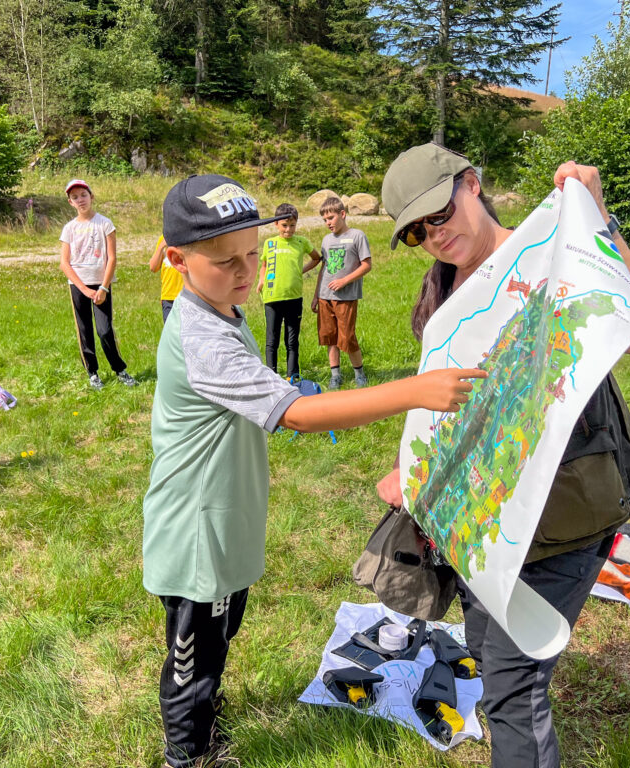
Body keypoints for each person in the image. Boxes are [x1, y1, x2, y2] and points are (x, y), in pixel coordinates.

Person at [143, 173, 484, 768]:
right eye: (228, 261)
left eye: (253, 253)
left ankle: (205, 709)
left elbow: (262, 394)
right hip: (196, 531)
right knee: (192, 656)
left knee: (221, 635)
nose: (247, 271)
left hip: (227, 518)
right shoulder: (201, 334)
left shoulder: (220, 307)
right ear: (177, 259)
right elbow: (297, 417)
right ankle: (188, 753)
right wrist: (415, 391)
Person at [377, 143, 630, 768]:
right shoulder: (440, 291)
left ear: (472, 184)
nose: (434, 235)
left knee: (513, 686)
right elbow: (444, 398)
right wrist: (415, 464)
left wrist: (600, 216)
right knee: (483, 642)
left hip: (566, 510)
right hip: (485, 518)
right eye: (417, 232)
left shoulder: (554, 249)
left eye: (439, 214)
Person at [60, 178, 138, 390]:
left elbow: (112, 258)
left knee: (104, 330)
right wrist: (84, 289)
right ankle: (92, 373)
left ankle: (119, 369)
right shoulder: (69, 228)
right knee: (84, 330)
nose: (80, 200)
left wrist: (103, 288)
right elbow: (64, 264)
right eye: (75, 197)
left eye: (83, 195)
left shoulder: (105, 224)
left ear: (91, 197)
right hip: (78, 286)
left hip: (101, 285)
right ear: (70, 202)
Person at [255, 203, 320, 380]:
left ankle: (293, 376)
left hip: (294, 298)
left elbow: (316, 258)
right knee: (272, 340)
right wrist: (262, 280)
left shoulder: (301, 242)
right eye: (284, 225)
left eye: (292, 225)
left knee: (292, 340)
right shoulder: (270, 243)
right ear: (276, 224)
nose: (288, 229)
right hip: (272, 298)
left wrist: (301, 270)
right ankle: (272, 376)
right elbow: (264, 265)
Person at [313, 196, 372, 389]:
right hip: (325, 296)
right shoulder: (326, 240)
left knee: (347, 337)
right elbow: (324, 267)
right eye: (325, 220)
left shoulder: (357, 235)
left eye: (331, 218)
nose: (328, 223)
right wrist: (316, 295)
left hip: (346, 297)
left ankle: (359, 374)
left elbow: (367, 265)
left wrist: (345, 281)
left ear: (343, 214)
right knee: (330, 337)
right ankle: (335, 375)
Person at [149, 234, 185, 322]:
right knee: (171, 333)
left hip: (186, 296)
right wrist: (161, 246)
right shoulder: (163, 239)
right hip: (168, 297)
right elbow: (153, 267)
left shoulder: (187, 236)